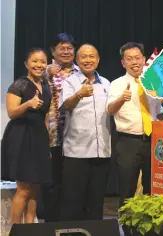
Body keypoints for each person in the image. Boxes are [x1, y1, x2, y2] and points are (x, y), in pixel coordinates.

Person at [59, 44, 111, 221]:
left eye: (91, 57)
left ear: (98, 59)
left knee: (96, 201)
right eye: (83, 57)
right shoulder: (70, 82)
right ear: (77, 60)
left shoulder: (106, 83)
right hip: (77, 151)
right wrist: (79, 94)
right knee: (73, 201)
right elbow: (65, 106)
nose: (88, 60)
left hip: (101, 151)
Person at [106, 42, 161, 208]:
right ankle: (128, 230)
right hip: (128, 142)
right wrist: (122, 99)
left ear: (144, 59)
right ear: (123, 63)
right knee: (127, 189)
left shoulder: (154, 83)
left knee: (153, 187)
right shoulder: (117, 84)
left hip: (154, 141)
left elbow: (159, 110)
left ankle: (151, 229)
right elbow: (110, 110)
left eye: (137, 57)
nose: (134, 62)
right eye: (129, 59)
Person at [1, 48, 51, 224]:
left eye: (42, 62)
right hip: (21, 137)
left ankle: (30, 228)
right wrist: (28, 104)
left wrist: (47, 143)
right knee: (23, 188)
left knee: (35, 187)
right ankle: (16, 230)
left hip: (39, 138)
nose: (39, 65)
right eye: (35, 61)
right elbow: (12, 112)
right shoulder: (19, 85)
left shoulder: (46, 86)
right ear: (26, 64)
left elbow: (45, 117)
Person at [41, 32, 78, 222]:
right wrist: (46, 74)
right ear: (52, 51)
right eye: (61, 48)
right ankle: (50, 223)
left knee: (71, 183)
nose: (66, 52)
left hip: (76, 137)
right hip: (52, 135)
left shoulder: (81, 73)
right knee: (52, 182)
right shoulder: (43, 72)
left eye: (69, 48)